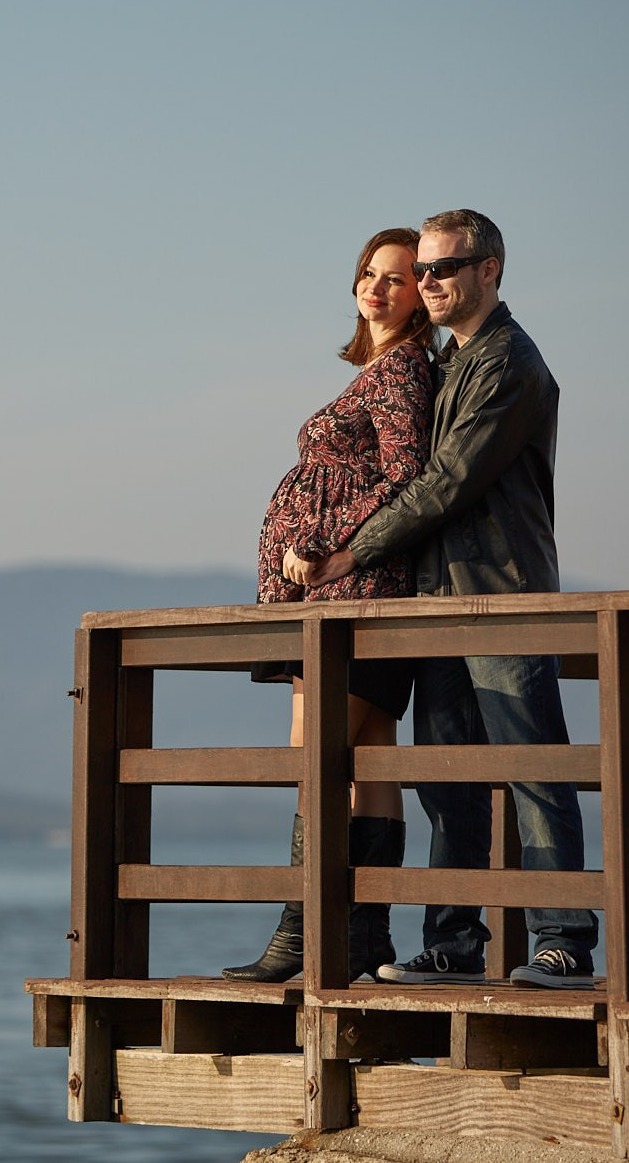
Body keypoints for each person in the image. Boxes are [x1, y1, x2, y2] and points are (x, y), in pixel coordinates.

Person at [297, 208, 598, 990]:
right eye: (422, 270)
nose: (428, 283)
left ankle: (564, 939)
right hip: (437, 601)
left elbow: (449, 483)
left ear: (490, 269)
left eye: (444, 268)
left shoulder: (508, 363)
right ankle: (454, 942)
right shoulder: (453, 362)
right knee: (448, 781)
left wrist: (350, 553)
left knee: (532, 769)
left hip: (502, 598)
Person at [222, 227, 435, 985]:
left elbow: (407, 475)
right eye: (368, 274)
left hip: (352, 592)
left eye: (399, 278)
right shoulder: (378, 370)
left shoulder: (404, 371)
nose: (376, 288)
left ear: (422, 293)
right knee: (366, 759)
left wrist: (320, 538)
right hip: (347, 593)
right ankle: (362, 935)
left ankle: (299, 932)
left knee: (317, 762)